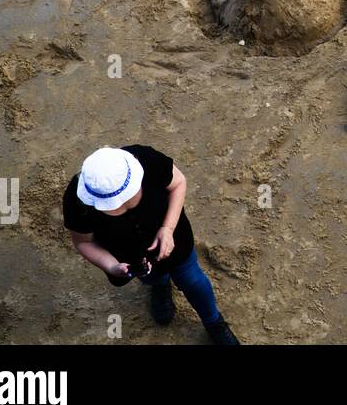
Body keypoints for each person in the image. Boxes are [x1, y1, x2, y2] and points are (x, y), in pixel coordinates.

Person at [62, 145, 240, 345]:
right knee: (150, 277)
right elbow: (83, 242)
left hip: (174, 238)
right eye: (112, 205)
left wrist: (168, 228)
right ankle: (161, 286)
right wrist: (111, 265)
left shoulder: (147, 160)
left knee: (192, 280)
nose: (119, 207)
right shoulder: (76, 202)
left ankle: (214, 322)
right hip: (129, 255)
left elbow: (178, 183)